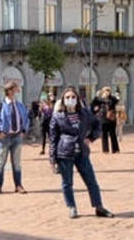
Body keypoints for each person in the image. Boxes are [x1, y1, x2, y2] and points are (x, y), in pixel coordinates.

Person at [49, 87, 114, 219]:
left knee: (91, 180)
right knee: (67, 182)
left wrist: (91, 138)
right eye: (67, 98)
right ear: (63, 100)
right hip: (64, 152)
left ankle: (99, 206)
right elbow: (53, 139)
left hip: (82, 152)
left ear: (78, 99)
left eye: (73, 97)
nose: (70, 100)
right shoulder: (57, 116)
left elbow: (97, 124)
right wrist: (52, 159)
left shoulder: (84, 113)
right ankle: (72, 207)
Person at [0, 81, 28, 194]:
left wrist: (23, 130)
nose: (18, 91)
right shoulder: (0, 106)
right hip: (4, 138)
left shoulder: (20, 105)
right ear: (9, 91)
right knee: (1, 163)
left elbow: (25, 118)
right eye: (16, 89)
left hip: (17, 138)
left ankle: (18, 185)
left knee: (17, 163)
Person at [91, 86, 120, 153]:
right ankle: (105, 149)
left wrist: (116, 95)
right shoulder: (100, 99)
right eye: (105, 91)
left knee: (113, 134)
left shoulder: (112, 99)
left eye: (108, 90)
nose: (107, 92)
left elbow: (117, 101)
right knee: (104, 134)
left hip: (111, 118)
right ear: (103, 92)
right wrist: (96, 96)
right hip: (103, 118)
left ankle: (115, 149)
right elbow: (93, 103)